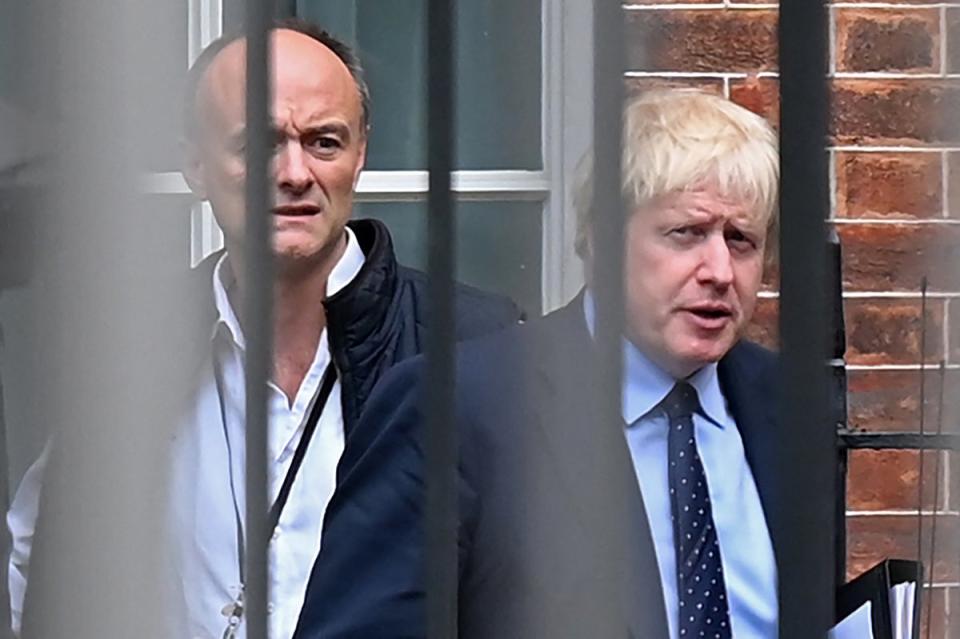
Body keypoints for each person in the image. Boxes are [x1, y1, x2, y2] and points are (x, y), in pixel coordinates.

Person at [6, 18, 521, 639]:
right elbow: (44, 555)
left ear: (361, 155)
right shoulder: (127, 349)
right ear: (195, 163)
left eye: (325, 142)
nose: (295, 173)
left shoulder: (474, 345)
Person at [296, 89, 781, 639]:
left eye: (741, 240)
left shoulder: (783, 408)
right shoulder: (459, 408)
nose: (718, 269)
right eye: (686, 233)